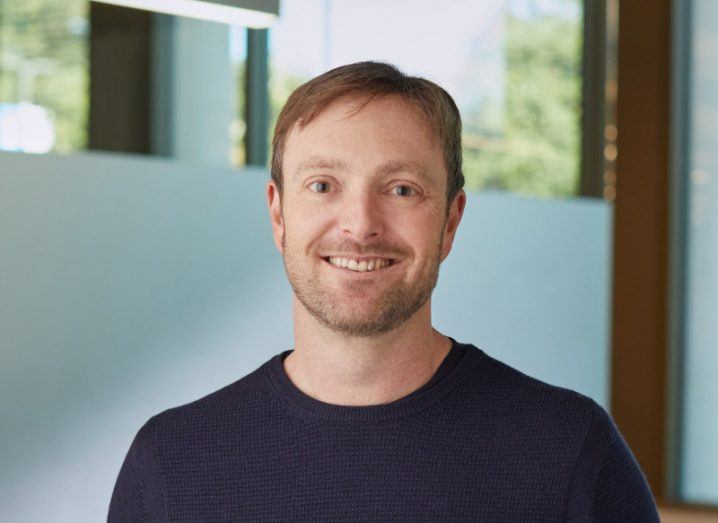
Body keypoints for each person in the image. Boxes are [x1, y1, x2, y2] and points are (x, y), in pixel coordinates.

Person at [108, 61, 659, 521]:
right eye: (323, 185)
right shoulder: (172, 462)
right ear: (278, 213)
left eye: (401, 189)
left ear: (449, 221)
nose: (360, 224)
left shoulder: (567, 451)